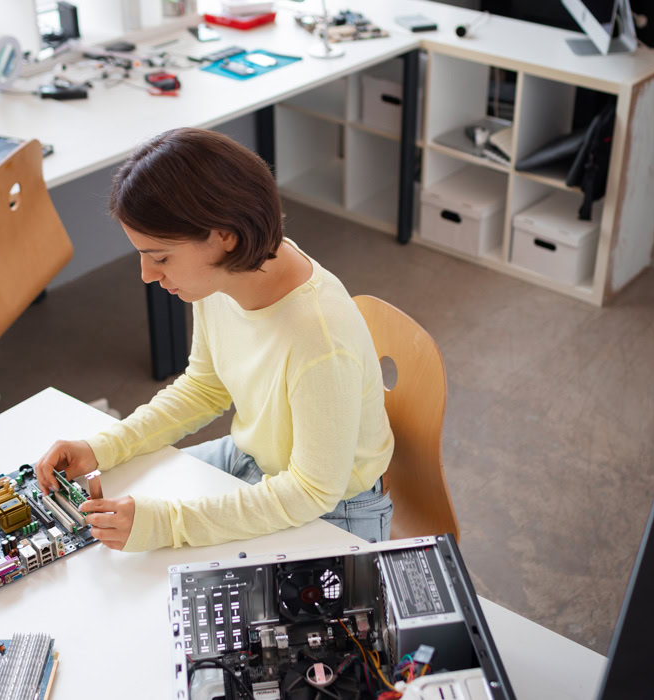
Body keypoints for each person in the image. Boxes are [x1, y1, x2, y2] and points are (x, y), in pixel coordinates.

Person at [35, 127, 395, 552]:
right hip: (257, 459)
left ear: (225, 236)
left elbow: (313, 492)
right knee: (111, 523)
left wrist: (168, 525)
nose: (148, 275)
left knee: (167, 579)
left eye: (161, 257)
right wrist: (102, 446)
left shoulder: (318, 338)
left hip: (334, 507)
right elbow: (205, 387)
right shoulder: (226, 277)